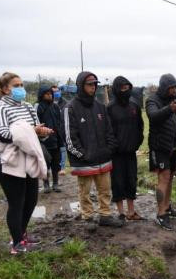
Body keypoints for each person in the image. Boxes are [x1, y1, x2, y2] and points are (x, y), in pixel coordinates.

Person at [0, 72, 52, 254]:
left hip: (29, 158)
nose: (20, 88)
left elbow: (35, 129)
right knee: (17, 202)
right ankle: (16, 243)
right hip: (9, 161)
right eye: (16, 85)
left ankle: (22, 234)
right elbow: (3, 134)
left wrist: (42, 131)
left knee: (31, 200)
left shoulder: (27, 107)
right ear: (4, 89)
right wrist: (30, 131)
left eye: (21, 84)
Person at [64, 71, 123, 228]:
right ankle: (88, 216)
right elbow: (70, 138)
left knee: (105, 190)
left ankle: (105, 215)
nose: (93, 87)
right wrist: (83, 154)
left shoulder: (100, 107)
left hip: (103, 158)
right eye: (90, 84)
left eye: (95, 84)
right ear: (80, 86)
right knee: (85, 191)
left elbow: (109, 131)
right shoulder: (70, 108)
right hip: (84, 160)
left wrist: (109, 149)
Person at [146, 73, 176, 230]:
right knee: (163, 177)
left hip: (173, 146)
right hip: (159, 146)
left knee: (171, 177)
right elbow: (153, 116)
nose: (174, 91)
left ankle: (167, 207)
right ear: (164, 87)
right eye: (171, 88)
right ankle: (161, 214)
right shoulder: (152, 100)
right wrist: (169, 109)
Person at [107, 76, 145, 221]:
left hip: (131, 152)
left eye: (127, 87)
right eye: (122, 88)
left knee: (131, 180)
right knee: (117, 181)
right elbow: (108, 131)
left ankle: (131, 211)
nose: (125, 90)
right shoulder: (110, 108)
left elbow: (140, 126)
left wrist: (137, 142)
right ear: (117, 89)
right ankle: (121, 213)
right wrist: (113, 146)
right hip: (116, 153)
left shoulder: (134, 105)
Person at [35, 85, 63, 193]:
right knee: (45, 163)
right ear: (42, 95)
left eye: (50, 93)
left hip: (55, 139)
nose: (50, 95)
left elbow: (59, 122)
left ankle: (55, 183)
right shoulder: (39, 107)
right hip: (43, 141)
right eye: (47, 94)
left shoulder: (55, 107)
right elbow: (36, 123)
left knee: (56, 163)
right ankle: (46, 184)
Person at [52, 85, 68, 175]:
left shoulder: (64, 103)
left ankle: (62, 168)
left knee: (63, 149)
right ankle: (53, 167)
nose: (56, 93)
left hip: (61, 129)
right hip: (51, 130)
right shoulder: (48, 103)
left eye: (57, 91)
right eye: (54, 92)